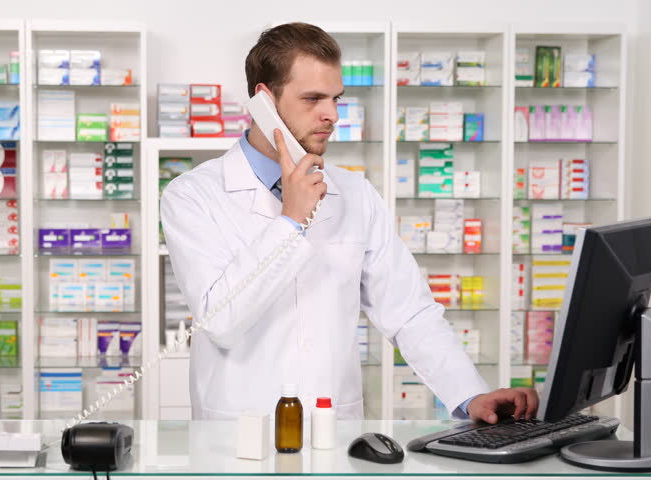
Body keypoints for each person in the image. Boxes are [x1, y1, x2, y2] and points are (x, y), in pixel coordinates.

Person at [160, 22, 538, 424]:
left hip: (333, 431)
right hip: (236, 433)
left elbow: (409, 312)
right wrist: (291, 220)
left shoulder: (354, 193)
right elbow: (219, 320)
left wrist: (469, 396)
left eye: (336, 98)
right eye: (313, 99)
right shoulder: (193, 195)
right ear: (264, 101)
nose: (332, 115)